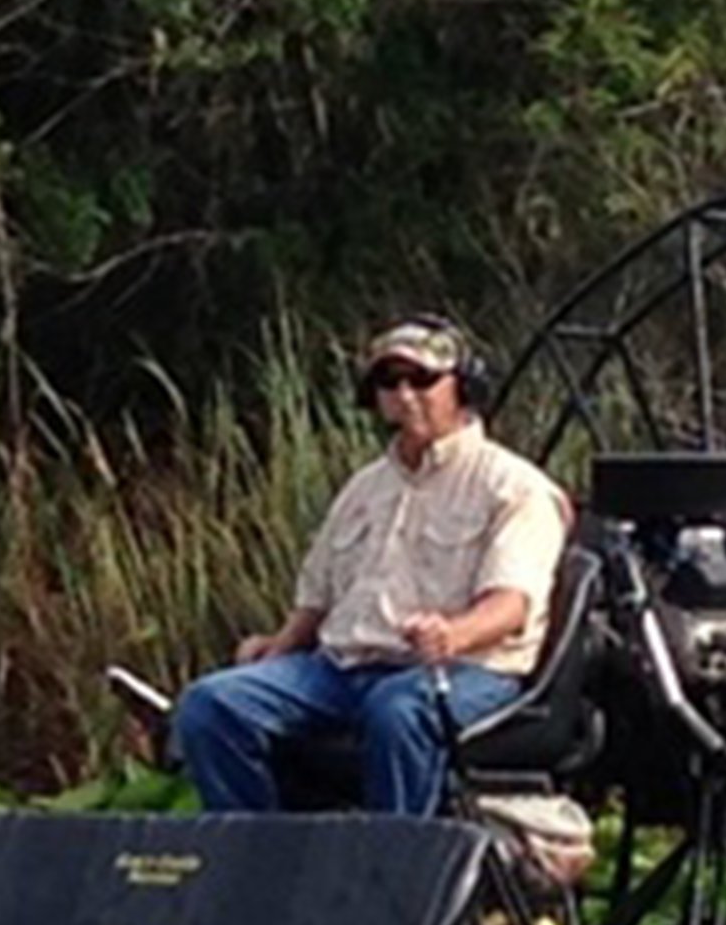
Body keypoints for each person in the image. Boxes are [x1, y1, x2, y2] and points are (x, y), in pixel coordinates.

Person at [169, 315, 572, 815]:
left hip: (466, 671)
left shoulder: (514, 486)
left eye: (422, 380)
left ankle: (392, 873)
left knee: (397, 712)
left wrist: (452, 634)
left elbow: (511, 605)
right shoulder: (364, 488)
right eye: (389, 381)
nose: (405, 395)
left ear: (461, 388)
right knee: (210, 704)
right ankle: (260, 858)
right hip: (342, 669)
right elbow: (315, 599)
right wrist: (277, 647)